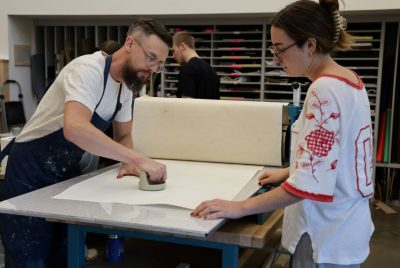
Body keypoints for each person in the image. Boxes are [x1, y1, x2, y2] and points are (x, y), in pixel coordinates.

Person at [192, 1, 374, 267]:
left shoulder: (323, 91)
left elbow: (309, 185)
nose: (277, 59)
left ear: (309, 45)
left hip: (324, 236)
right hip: (346, 227)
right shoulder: (350, 81)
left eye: (280, 49)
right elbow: (338, 154)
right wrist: (289, 171)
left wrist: (238, 207)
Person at [0, 18, 171, 267]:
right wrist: (137, 158)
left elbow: (123, 135)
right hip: (29, 173)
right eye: (151, 57)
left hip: (65, 177)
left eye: (161, 64)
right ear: (130, 43)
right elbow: (75, 128)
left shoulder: (125, 88)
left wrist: (127, 163)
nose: (154, 69)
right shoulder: (88, 69)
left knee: (64, 255)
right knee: (31, 258)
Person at [172, 31, 220, 99]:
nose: (173, 56)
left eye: (173, 51)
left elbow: (186, 105)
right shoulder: (211, 70)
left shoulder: (187, 69)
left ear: (182, 46)